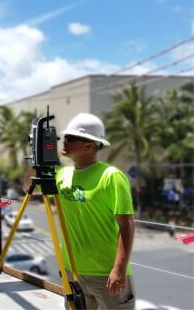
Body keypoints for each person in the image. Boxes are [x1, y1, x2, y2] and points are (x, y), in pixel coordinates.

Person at [56, 113, 135, 309]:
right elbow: (27, 188)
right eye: (65, 137)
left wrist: (119, 269)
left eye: (71, 138)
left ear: (89, 146)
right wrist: (37, 162)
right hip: (72, 270)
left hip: (106, 273)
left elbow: (126, 225)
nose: (64, 141)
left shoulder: (111, 177)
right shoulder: (62, 175)